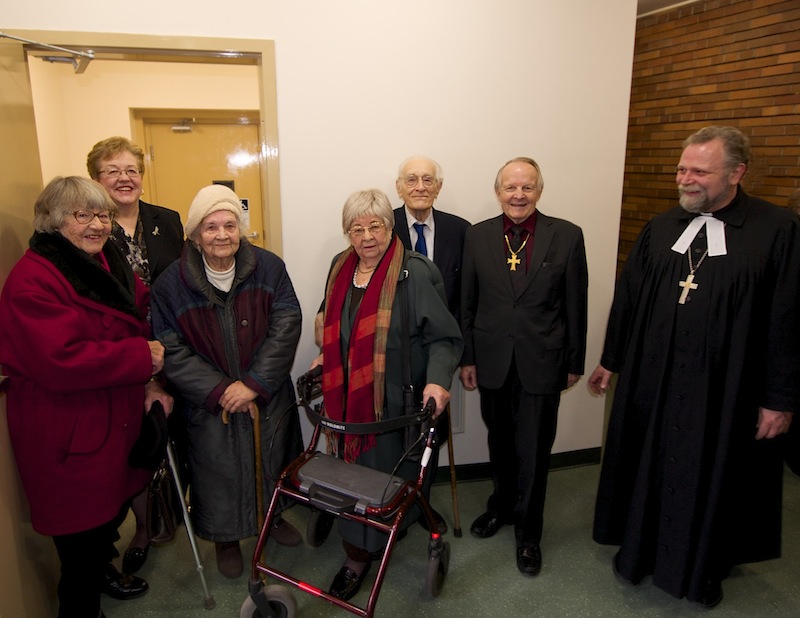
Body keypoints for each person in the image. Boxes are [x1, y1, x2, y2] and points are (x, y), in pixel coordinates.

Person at [587, 126, 800, 608]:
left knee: (715, 473)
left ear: (736, 173)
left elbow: (789, 319)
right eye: (682, 169)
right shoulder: (662, 228)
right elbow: (629, 299)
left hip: (727, 391)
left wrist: (780, 398)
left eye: (699, 171)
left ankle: (704, 566)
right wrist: (611, 359)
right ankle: (639, 551)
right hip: (654, 383)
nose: (685, 179)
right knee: (650, 462)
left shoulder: (778, 231)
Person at [0, 176, 173, 618]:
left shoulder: (102, 259)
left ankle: (104, 571)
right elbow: (60, 361)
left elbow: (139, 304)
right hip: (68, 431)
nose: (98, 225)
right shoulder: (32, 281)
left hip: (107, 421)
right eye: (84, 215)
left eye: (103, 215)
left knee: (106, 518)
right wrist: (141, 357)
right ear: (54, 222)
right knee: (77, 544)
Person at [312, 188, 463, 601]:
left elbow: (445, 339)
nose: (367, 237)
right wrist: (322, 361)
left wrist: (438, 381)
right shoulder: (339, 266)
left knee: (384, 479)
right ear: (347, 233)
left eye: (375, 225)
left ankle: (359, 553)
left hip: (395, 403)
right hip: (347, 401)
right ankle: (360, 544)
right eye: (356, 228)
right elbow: (332, 324)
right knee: (353, 475)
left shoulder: (416, 272)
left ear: (389, 225)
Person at [150, 184, 304, 579]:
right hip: (208, 403)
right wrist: (220, 391)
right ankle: (225, 539)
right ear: (195, 234)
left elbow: (286, 324)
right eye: (211, 226)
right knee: (215, 470)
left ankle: (275, 520)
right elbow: (170, 348)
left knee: (272, 459)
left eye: (230, 225)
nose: (222, 235)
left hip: (264, 393)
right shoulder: (170, 284)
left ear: (241, 229)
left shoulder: (270, 267)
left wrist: (253, 383)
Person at [460, 157, 588, 577]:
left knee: (533, 451)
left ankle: (529, 533)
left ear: (539, 191)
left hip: (542, 362)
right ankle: (501, 506)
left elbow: (576, 304)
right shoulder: (476, 236)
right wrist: (468, 357)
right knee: (499, 443)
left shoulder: (567, 236)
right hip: (493, 360)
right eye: (511, 187)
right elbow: (468, 302)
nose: (519, 195)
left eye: (527, 187)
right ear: (498, 192)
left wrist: (573, 362)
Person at [87, 136, 184, 574]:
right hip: (122, 352)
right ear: (96, 179)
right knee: (137, 445)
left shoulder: (168, 220)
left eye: (132, 170)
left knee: (178, 434)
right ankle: (143, 527)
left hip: (173, 342)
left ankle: (178, 512)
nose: (125, 178)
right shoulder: (89, 228)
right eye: (113, 171)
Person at [393, 155, 470, 535]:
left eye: (428, 180)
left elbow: (469, 297)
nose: (420, 186)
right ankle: (395, 505)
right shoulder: (382, 226)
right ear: (399, 187)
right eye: (412, 179)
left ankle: (422, 501)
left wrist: (464, 356)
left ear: (438, 187)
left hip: (440, 351)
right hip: (398, 353)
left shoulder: (461, 231)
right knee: (395, 435)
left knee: (431, 433)